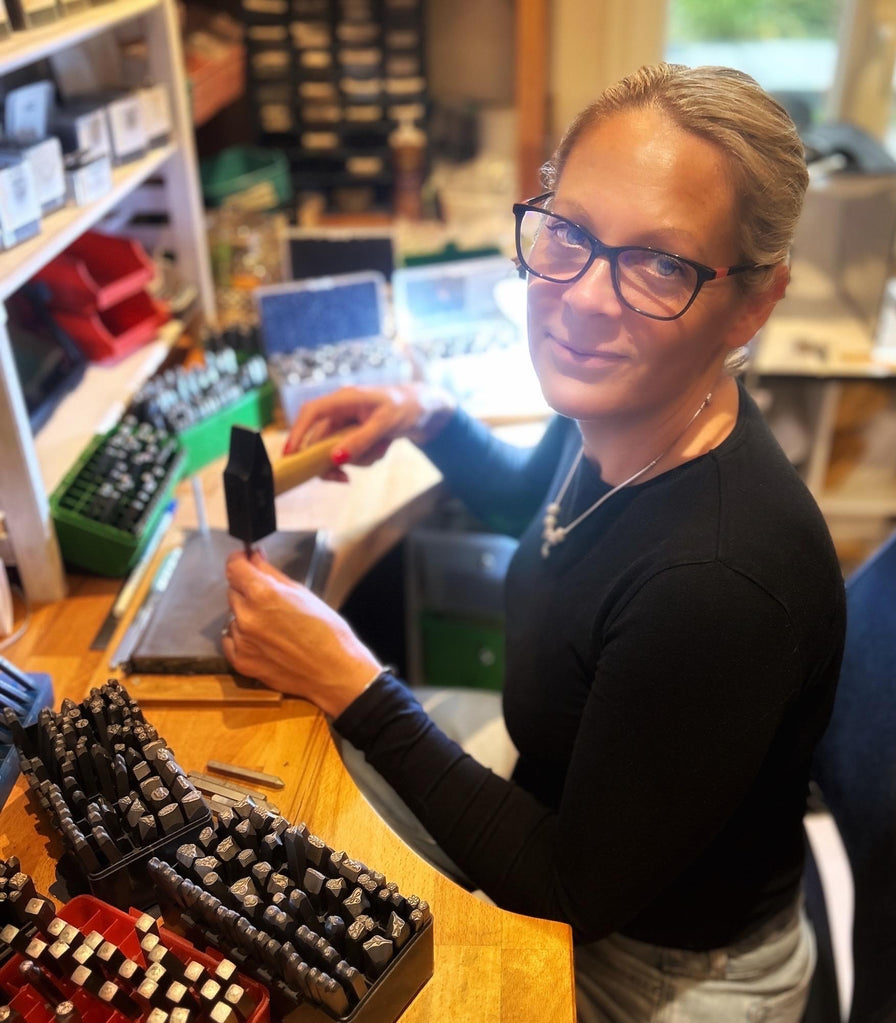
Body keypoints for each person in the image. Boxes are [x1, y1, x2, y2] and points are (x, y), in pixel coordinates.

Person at [222, 63, 846, 1023]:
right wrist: (429, 415)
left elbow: (571, 891)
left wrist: (352, 680)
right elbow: (537, 503)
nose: (584, 299)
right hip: (569, 820)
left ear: (754, 301)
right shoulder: (630, 410)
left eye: (659, 263)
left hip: (648, 964)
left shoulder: (718, 582)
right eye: (570, 233)